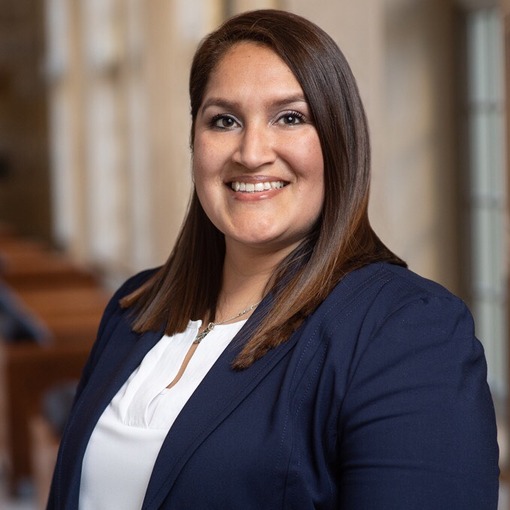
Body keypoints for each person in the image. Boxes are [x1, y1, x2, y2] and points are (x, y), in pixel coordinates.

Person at [47, 9, 499, 510]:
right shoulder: (135, 308)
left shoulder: (407, 330)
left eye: (290, 117)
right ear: (194, 141)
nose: (251, 152)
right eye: (224, 120)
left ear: (338, 140)